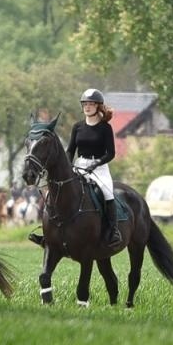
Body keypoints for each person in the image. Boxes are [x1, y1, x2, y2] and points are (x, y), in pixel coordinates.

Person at [69, 88, 121, 248]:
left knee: (106, 192)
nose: (87, 107)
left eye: (91, 104)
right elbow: (70, 150)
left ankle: (113, 231)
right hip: (79, 165)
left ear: (98, 106)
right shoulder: (77, 127)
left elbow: (111, 153)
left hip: (99, 166)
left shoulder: (105, 128)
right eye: (85, 104)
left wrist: (96, 163)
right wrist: (68, 166)